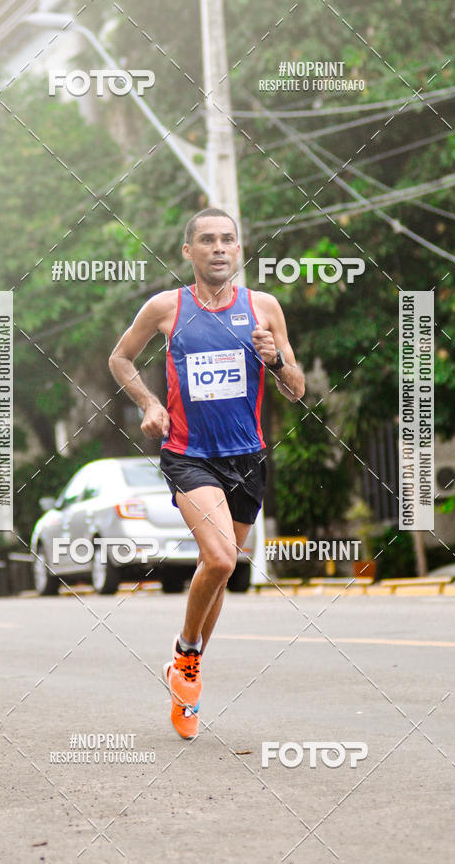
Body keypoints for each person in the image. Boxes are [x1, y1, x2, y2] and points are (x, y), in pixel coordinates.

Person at [108, 208, 305, 739]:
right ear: (188, 252)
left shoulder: (262, 308)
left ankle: (186, 667)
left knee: (221, 569)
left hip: (247, 456)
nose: (219, 248)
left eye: (228, 240)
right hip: (188, 453)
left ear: (239, 250)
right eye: (207, 240)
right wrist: (149, 402)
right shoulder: (166, 309)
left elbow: (297, 389)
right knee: (219, 558)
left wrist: (277, 360)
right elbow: (120, 359)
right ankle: (187, 656)